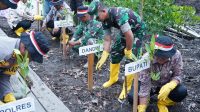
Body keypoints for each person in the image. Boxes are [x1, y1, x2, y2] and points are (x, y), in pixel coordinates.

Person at [96, 4, 146, 100]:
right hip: (126, 32)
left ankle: (127, 87)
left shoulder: (119, 15)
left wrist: (128, 50)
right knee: (115, 52)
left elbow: (130, 36)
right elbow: (107, 39)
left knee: (131, 60)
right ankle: (113, 78)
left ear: (104, 11)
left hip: (137, 31)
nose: (96, 19)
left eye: (97, 17)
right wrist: (104, 54)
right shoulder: (104, 19)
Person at [128, 36, 187, 112]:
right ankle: (147, 101)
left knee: (181, 92)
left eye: (164, 57)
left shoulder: (176, 55)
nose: (161, 59)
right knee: (132, 98)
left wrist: (171, 85)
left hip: (166, 85)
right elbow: (145, 83)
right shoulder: (146, 59)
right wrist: (142, 107)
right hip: (150, 85)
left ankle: (162, 102)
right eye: (159, 56)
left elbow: (178, 74)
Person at [0, 31, 50, 105]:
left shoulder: (17, 55)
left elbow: (3, 75)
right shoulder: (3, 51)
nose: (30, 61)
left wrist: (7, 94)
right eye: (31, 57)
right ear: (24, 48)